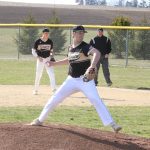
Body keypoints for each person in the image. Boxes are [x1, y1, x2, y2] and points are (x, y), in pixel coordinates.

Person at [30, 25, 122, 133]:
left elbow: (97, 53)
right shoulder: (71, 47)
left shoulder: (85, 46)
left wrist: (92, 65)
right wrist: (54, 63)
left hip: (85, 80)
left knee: (95, 99)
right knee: (55, 98)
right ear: (73, 34)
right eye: (79, 32)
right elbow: (69, 60)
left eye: (83, 33)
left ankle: (113, 124)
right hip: (71, 80)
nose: (81, 34)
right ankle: (40, 120)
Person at [32, 28, 56, 95]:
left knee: (51, 74)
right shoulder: (38, 41)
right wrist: (38, 57)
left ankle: (54, 90)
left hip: (48, 59)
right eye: (45, 33)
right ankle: (35, 90)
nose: (46, 34)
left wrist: (51, 56)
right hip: (40, 60)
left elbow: (51, 51)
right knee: (38, 74)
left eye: (47, 33)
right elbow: (33, 51)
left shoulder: (50, 41)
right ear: (42, 33)